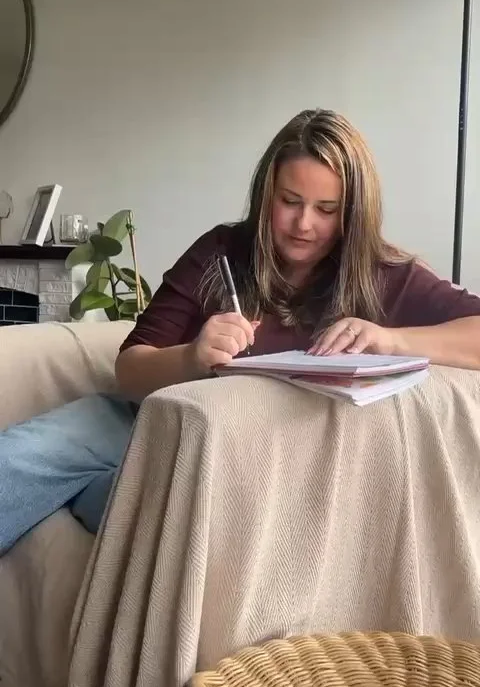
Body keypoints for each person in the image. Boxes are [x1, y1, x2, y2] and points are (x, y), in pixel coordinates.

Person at [2, 108, 480, 555]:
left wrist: (391, 338)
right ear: (266, 193)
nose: (303, 224)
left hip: (228, 454)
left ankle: (94, 494)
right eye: (289, 201)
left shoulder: (382, 274)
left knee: (137, 505)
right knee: (16, 458)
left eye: (327, 209)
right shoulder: (220, 250)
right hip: (143, 420)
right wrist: (192, 357)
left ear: (353, 212)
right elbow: (130, 372)